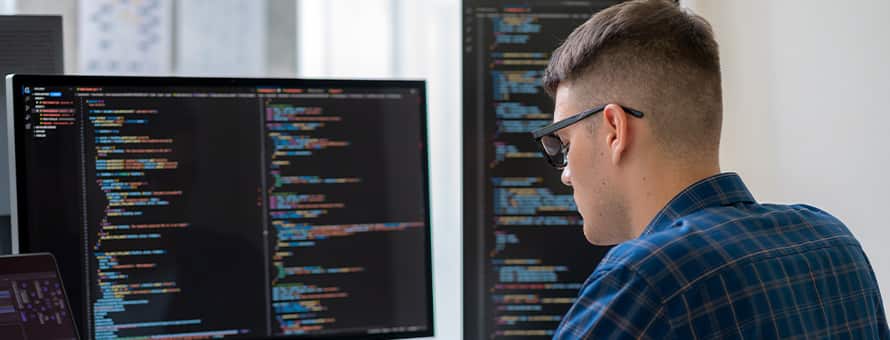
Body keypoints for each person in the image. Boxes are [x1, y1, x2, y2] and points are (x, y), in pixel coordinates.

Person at [530, 0, 890, 338]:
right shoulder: (835, 244)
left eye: (564, 144)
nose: (565, 173)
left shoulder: (643, 279)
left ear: (614, 130)